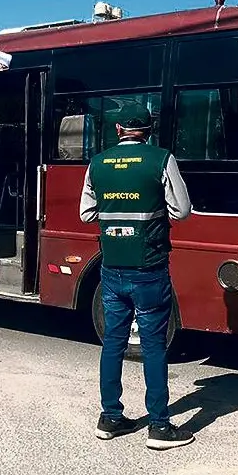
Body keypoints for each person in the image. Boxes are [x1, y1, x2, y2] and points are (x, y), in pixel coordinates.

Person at [79, 103, 194, 451]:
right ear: (148, 130)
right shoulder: (161, 159)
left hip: (112, 267)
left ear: (118, 131)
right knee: (154, 345)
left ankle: (110, 417)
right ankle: (159, 426)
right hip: (150, 268)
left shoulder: (97, 163)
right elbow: (182, 210)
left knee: (113, 341)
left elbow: (86, 214)